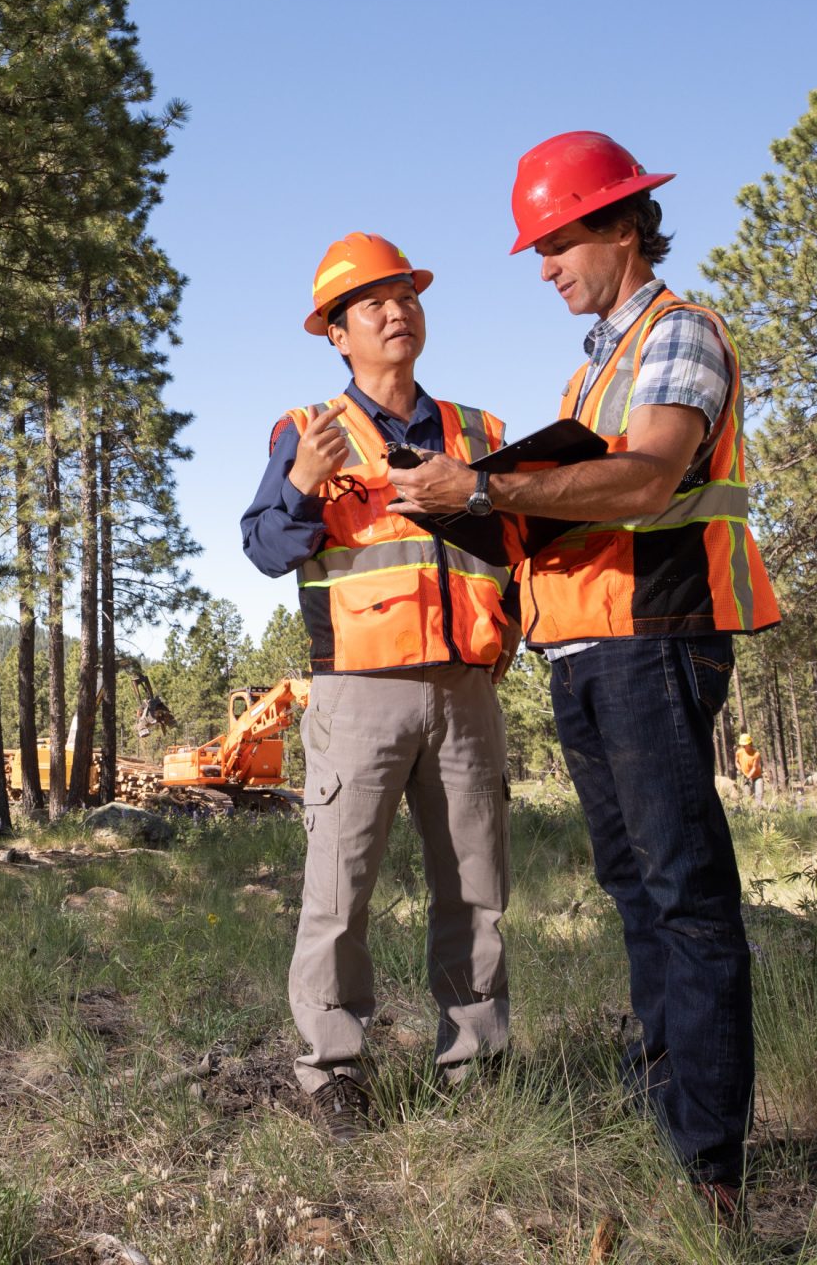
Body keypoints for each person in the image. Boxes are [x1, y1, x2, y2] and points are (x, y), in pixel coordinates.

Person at [389, 133, 780, 1218]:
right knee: (636, 893)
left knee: (684, 897)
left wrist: (490, 485)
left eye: (556, 241)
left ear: (619, 226)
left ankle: (712, 1170)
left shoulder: (677, 334)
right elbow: (579, 505)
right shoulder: (594, 364)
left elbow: (649, 477)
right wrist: (484, 514)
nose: (544, 264)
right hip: (590, 652)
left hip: (654, 640)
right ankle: (671, 1109)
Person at [240, 232, 523, 1141]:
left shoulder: (481, 435)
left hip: (467, 692)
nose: (396, 312)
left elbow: (520, 552)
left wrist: (508, 628)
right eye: (373, 304)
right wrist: (301, 485)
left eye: (406, 296)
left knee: (476, 888)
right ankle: (332, 1076)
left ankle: (475, 1067)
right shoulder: (309, 431)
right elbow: (264, 550)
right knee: (339, 890)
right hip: (358, 695)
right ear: (337, 333)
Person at [734, 732, 764, 802]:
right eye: (742, 744)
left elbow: (754, 768)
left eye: (745, 744)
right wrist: (739, 769)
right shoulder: (739, 752)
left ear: (750, 743)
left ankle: (759, 809)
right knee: (747, 797)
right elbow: (736, 762)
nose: (743, 746)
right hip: (745, 777)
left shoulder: (756, 754)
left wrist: (748, 776)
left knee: (758, 796)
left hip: (757, 777)